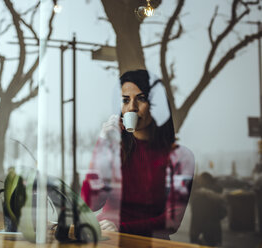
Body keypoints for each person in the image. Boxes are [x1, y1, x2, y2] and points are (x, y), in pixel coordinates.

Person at [81, 70, 195, 239]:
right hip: (105, 239)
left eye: (141, 99)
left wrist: (120, 228)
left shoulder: (181, 157)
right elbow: (89, 203)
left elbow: (171, 221)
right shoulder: (114, 150)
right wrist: (102, 145)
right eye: (125, 100)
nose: (132, 107)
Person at [190, 172, 226, 246]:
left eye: (200, 179)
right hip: (214, 231)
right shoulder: (217, 193)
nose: (198, 181)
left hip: (204, 232)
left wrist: (195, 234)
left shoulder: (200, 197)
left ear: (205, 180)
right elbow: (223, 213)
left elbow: (197, 217)